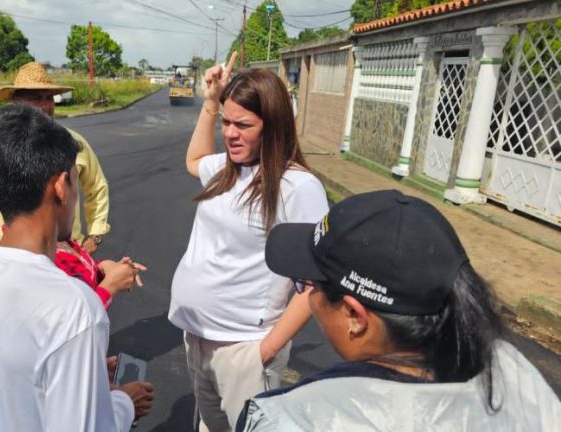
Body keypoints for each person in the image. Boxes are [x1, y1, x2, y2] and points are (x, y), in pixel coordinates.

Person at [237, 189, 561, 431]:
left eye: (310, 286)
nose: (309, 298)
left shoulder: (292, 417)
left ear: (355, 316)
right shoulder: (513, 371)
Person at [0, 104, 154, 432]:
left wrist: (78, 375)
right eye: (75, 184)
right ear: (61, 187)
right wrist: (123, 403)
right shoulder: (75, 307)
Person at [169, 51, 330, 431]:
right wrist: (210, 103)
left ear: (272, 125)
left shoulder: (298, 187)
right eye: (226, 123)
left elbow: (317, 280)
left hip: (245, 348)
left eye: (243, 124)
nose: (229, 134)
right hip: (198, 338)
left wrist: (266, 350)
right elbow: (194, 160)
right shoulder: (227, 170)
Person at [0, 61, 110, 255]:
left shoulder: (73, 143)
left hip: (67, 255)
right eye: (35, 98)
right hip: (12, 255)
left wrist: (95, 234)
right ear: (16, 103)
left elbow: (96, 187)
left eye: (49, 97)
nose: (45, 106)